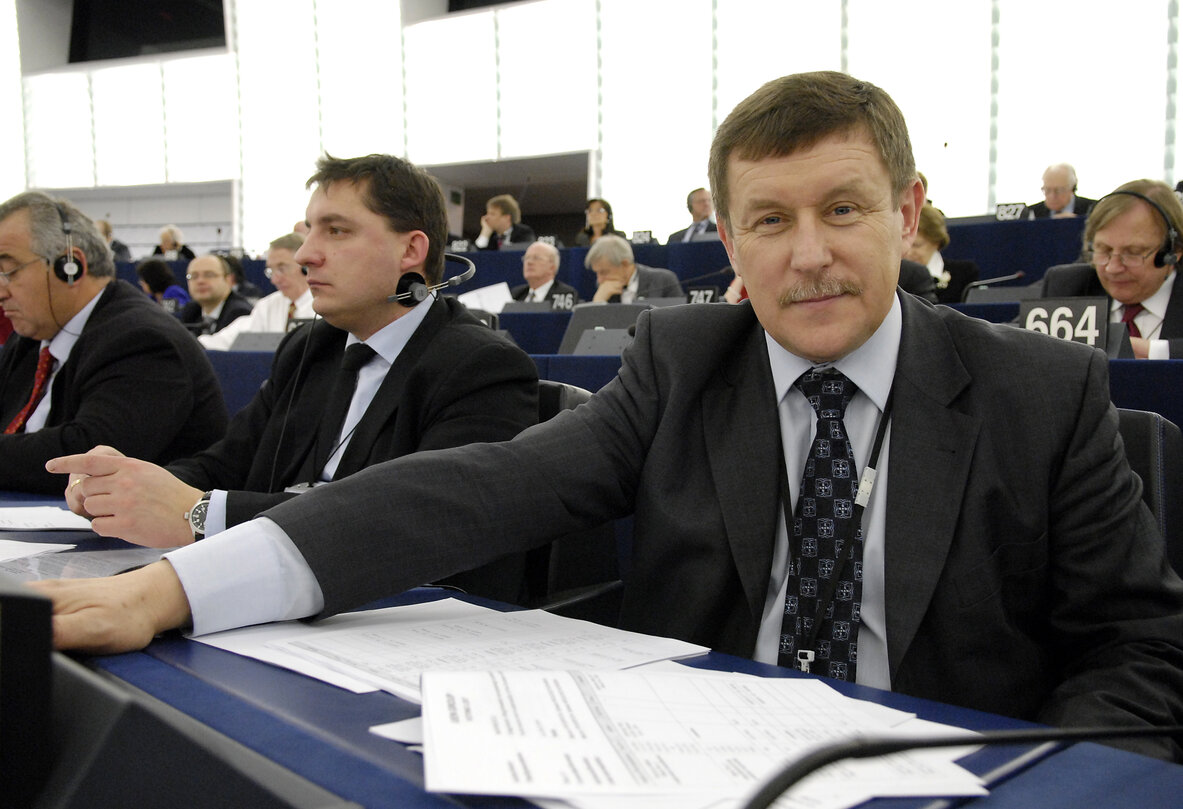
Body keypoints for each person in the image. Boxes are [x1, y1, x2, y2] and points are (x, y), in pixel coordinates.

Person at [36, 73, 1183, 762]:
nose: (811, 253)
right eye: (769, 220)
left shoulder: (1042, 391)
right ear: (726, 243)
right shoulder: (685, 364)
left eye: (844, 208)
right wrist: (178, 584)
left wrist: (1038, 776)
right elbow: (472, 490)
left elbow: (1140, 652)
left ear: (908, 211)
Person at [51, 153, 540, 604]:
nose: (306, 253)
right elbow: (224, 465)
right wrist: (130, 485)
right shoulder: (311, 347)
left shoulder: (480, 366)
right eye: (309, 230)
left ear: (411, 250)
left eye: (336, 231)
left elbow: (414, 530)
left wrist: (200, 514)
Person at [0, 191, 227, 493]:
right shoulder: (30, 339)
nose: (1, 291)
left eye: (8, 271)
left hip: (144, 538)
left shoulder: (143, 340)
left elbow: (85, 454)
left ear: (70, 266)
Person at [1042, 179, 1183, 359]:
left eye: (1133, 253)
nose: (1112, 268)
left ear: (1173, 251)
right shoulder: (1067, 287)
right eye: (1104, 250)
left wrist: (1152, 350)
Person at [198, 234, 315, 351]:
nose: (274, 279)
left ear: (305, 266)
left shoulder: (322, 307)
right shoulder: (267, 305)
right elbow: (228, 339)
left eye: (281, 269)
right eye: (271, 271)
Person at [904, 204, 979, 303]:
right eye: (904, 244)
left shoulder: (963, 273)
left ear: (936, 242)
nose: (908, 252)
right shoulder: (897, 277)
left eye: (917, 245)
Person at [587, 235, 682, 303]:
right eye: (597, 273)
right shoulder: (604, 288)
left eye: (604, 272)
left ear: (625, 264)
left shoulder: (664, 280)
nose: (599, 279)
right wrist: (598, 302)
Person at [178, 254, 254, 336]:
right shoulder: (191, 311)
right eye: (194, 276)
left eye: (209, 275)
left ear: (228, 280)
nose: (200, 281)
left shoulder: (239, 313)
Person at [509, 241, 579, 309]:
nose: (529, 262)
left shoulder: (565, 294)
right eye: (526, 258)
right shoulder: (516, 294)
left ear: (552, 267)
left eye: (536, 258)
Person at [1027, 163, 1096, 219]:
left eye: (1058, 191)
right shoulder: (1031, 213)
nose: (1052, 196)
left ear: (1072, 188)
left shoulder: (1094, 210)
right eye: (1047, 190)